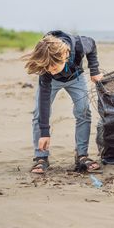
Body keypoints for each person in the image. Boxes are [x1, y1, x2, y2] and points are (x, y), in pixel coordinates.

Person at [22, 30, 103, 174]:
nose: (50, 71)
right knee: (38, 113)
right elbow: (44, 101)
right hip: (53, 83)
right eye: (48, 68)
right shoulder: (47, 67)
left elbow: (92, 44)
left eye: (53, 67)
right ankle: (41, 158)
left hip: (76, 78)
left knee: (83, 111)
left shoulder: (79, 45)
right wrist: (45, 133)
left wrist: (94, 70)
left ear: (64, 55)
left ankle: (82, 156)